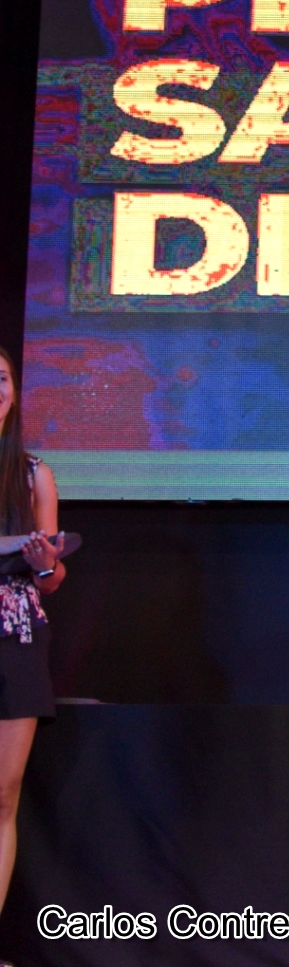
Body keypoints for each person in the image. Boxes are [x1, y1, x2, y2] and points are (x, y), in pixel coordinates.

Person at [0, 346, 64, 950]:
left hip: (16, 635)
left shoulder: (32, 473)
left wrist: (45, 563)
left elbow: (52, 578)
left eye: (1, 378)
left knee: (3, 794)